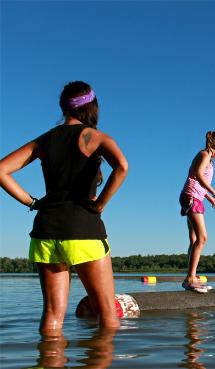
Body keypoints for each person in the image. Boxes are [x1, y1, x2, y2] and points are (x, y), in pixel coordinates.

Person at [0, 81, 128, 333]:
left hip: (46, 231)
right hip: (84, 230)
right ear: (92, 107)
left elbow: (1, 170)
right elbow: (122, 167)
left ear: (63, 108)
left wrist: (32, 202)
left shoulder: (44, 140)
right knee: (106, 312)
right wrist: (100, 204)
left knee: (52, 315)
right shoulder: (96, 138)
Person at [179, 131, 215, 293]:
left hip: (193, 196)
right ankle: (190, 278)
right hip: (192, 197)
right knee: (202, 238)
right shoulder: (205, 154)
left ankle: (190, 276)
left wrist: (207, 197)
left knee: (194, 239)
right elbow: (199, 175)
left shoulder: (207, 157)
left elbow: (196, 179)